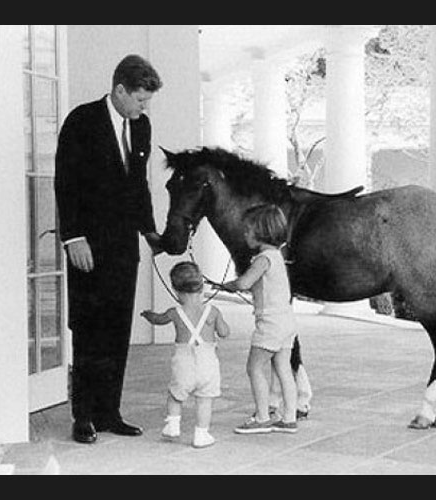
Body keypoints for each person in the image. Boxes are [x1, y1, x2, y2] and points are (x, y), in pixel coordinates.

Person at [55, 54, 164, 444]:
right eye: (140, 99)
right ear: (120, 90)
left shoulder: (142, 127)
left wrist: (150, 232)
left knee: (117, 328)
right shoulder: (81, 122)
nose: (144, 107)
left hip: (123, 247)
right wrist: (73, 237)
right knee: (89, 329)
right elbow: (65, 183)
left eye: (147, 101)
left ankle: (109, 412)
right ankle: (83, 415)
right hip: (87, 245)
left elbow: (139, 185)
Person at [218, 204, 299, 434]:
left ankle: (262, 417)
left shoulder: (262, 259)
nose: (245, 234)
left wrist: (231, 285)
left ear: (262, 231)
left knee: (254, 367)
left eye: (248, 229)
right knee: (283, 368)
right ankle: (289, 418)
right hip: (287, 321)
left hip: (270, 323)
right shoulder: (277, 257)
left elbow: (244, 283)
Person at [139, 262, 231, 448]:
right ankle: (201, 434)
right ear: (202, 286)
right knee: (205, 400)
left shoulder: (175, 313)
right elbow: (224, 332)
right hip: (207, 363)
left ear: (175, 289)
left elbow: (158, 320)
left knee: (175, 394)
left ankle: (173, 425)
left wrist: (149, 315)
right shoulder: (212, 311)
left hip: (183, 362)